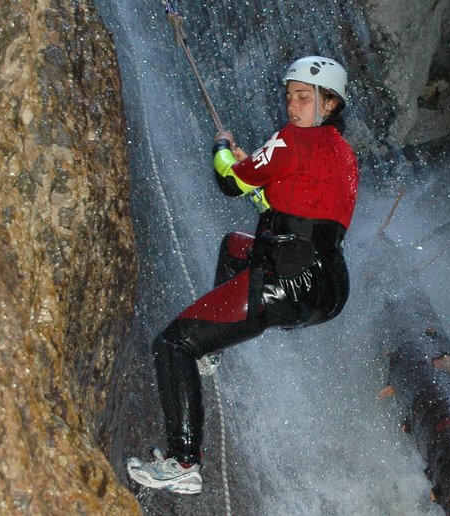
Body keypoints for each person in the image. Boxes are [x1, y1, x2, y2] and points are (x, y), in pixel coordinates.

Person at [127, 56, 359, 494]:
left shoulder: (291, 140)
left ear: (329, 104)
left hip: (286, 281)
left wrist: (222, 148)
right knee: (236, 244)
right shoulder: (344, 155)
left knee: (172, 344)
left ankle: (183, 462)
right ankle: (211, 352)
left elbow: (231, 183)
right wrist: (256, 163)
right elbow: (295, 200)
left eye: (304, 97)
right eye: (290, 95)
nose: (293, 105)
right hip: (328, 287)